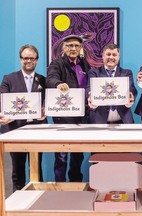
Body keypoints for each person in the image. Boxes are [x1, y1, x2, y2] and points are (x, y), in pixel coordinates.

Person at [0, 44, 46, 191]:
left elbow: (48, 103)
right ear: (21, 59)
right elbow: (2, 101)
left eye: (32, 58)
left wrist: (45, 111)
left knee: (36, 170)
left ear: (37, 60)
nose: (28, 61)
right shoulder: (9, 79)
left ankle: (39, 202)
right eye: (25, 58)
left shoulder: (43, 80)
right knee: (17, 171)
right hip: (15, 130)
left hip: (37, 132)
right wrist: (2, 115)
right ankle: (16, 203)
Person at [46, 35, 91, 182]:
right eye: (70, 45)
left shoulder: (84, 64)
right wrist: (58, 83)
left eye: (76, 46)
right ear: (64, 48)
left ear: (80, 48)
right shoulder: (57, 63)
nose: (73, 48)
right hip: (64, 116)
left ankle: (75, 183)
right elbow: (50, 78)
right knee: (62, 155)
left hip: (83, 115)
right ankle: (60, 185)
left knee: (78, 154)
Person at [87, 43, 137, 124]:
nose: (111, 57)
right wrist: (90, 96)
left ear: (118, 57)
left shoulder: (126, 73)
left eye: (114, 55)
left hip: (123, 121)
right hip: (99, 121)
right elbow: (88, 89)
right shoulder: (94, 72)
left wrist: (130, 96)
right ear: (103, 56)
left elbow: (132, 89)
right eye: (108, 54)